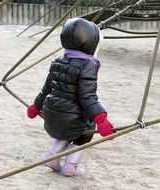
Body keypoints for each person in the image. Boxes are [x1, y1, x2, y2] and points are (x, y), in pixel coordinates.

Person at [27, 18, 115, 177]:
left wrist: (36, 107)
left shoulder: (58, 60)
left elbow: (47, 88)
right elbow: (87, 97)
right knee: (86, 131)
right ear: (89, 43)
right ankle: (70, 166)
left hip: (52, 114)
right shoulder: (88, 66)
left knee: (67, 129)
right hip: (71, 118)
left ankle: (52, 157)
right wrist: (101, 119)